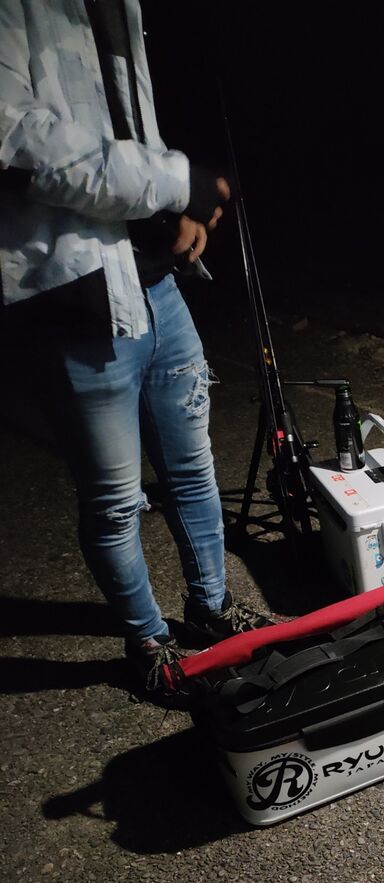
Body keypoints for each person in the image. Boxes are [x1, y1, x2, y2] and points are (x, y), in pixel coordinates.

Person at [0, 0, 270, 700]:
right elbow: (20, 140)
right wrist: (179, 182)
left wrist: (170, 213)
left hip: (154, 285)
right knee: (117, 501)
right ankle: (147, 641)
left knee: (193, 471)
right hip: (74, 302)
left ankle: (211, 608)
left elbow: (123, 121)